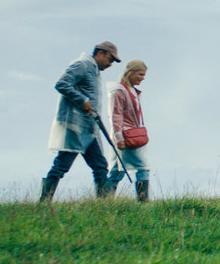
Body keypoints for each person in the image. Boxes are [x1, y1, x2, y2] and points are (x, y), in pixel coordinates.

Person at [39, 42, 121, 203]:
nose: (111, 64)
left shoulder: (95, 71)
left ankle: (105, 206)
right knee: (61, 166)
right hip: (76, 128)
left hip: (90, 129)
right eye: (110, 59)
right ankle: (44, 202)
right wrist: (82, 100)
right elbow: (61, 83)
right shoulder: (82, 65)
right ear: (100, 53)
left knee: (100, 166)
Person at [107, 59, 151, 202]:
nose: (142, 78)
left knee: (118, 169)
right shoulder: (120, 91)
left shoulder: (131, 91)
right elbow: (116, 115)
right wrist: (119, 138)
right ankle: (143, 201)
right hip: (127, 137)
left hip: (129, 135)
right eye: (140, 74)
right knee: (143, 167)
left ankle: (105, 199)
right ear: (130, 72)